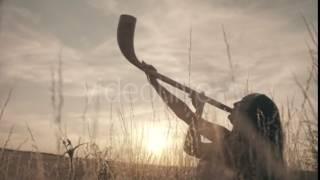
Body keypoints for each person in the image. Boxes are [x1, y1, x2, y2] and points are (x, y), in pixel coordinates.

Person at [141, 62, 286, 180]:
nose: (234, 104)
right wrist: (156, 84)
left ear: (251, 118)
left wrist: (199, 110)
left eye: (241, 103)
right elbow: (187, 116)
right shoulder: (228, 137)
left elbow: (191, 147)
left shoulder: (240, 149)